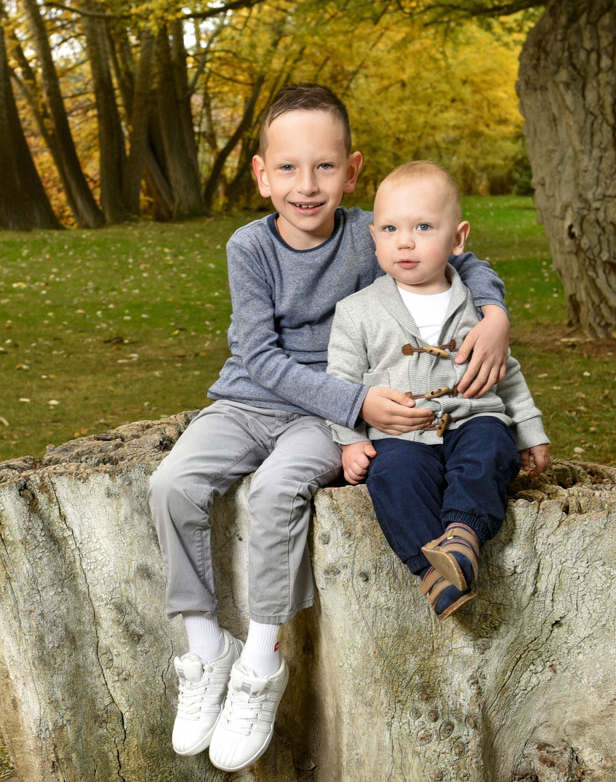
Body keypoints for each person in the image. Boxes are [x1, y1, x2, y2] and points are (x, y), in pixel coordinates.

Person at [148, 85, 512, 772]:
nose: (305, 185)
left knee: (277, 490)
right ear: (261, 174)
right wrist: (363, 402)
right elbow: (257, 355)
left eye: (324, 167)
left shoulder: (366, 234)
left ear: (353, 171)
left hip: (328, 415)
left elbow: (460, 259)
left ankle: (260, 658)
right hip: (248, 400)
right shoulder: (248, 246)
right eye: (287, 168)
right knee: (172, 484)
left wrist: (492, 315)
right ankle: (204, 647)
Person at [326, 160, 551, 619]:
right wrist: (349, 442)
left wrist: (530, 429)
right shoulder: (356, 311)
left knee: (491, 446)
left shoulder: (476, 305)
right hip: (403, 432)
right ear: (374, 237)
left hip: (473, 416)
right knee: (393, 478)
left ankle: (463, 536)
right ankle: (432, 573)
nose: (404, 241)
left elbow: (504, 369)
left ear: (458, 238)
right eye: (390, 228)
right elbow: (341, 381)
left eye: (423, 227)